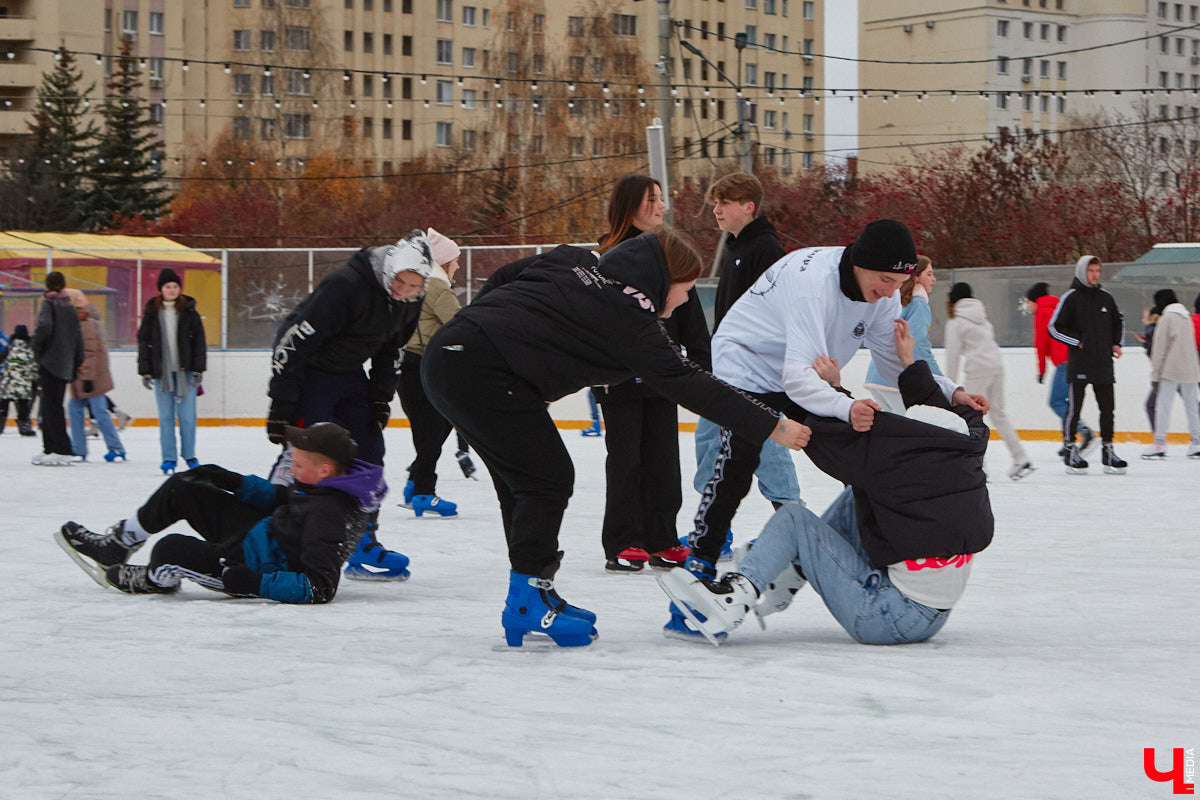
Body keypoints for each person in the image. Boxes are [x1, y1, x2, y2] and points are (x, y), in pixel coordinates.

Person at [421, 226, 811, 648]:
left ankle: (531, 593)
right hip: (480, 373)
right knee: (547, 480)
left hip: (450, 357)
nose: (683, 301)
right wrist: (774, 424)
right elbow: (691, 385)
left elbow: (502, 280)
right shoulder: (631, 323)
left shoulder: (574, 259)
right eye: (684, 289)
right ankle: (527, 599)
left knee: (525, 485)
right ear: (661, 280)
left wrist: (484, 328)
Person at [682, 219, 984, 597]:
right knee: (740, 459)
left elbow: (893, 362)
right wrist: (845, 404)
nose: (891, 293)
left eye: (897, 283)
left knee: (859, 452)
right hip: (749, 365)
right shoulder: (814, 286)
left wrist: (952, 392)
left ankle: (858, 549)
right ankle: (700, 561)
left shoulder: (884, 294)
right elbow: (796, 376)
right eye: (886, 281)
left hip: (801, 372)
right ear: (863, 263)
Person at [658, 319, 993, 646]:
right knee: (858, 492)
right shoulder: (964, 449)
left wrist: (831, 389)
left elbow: (849, 440)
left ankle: (732, 600)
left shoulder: (895, 468)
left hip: (885, 616)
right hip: (930, 615)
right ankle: (789, 569)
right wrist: (908, 361)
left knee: (794, 519)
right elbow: (934, 418)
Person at [55, 422, 386, 602]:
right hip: (260, 533)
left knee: (170, 549)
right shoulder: (327, 484)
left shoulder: (331, 514)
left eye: (298, 464)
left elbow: (319, 587)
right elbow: (286, 499)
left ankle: (157, 581)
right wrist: (233, 481)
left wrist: (253, 583)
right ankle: (119, 543)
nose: (293, 469)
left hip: (249, 563)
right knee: (184, 486)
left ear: (325, 469)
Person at [267, 230, 429, 581]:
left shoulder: (411, 302)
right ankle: (273, 537)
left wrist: (379, 399)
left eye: (414, 286)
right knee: (306, 456)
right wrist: (282, 401)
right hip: (310, 371)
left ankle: (361, 539)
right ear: (391, 270)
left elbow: (392, 352)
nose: (404, 291)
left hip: (350, 375)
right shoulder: (347, 286)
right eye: (401, 282)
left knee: (369, 450)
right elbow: (295, 338)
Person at [592, 175, 706, 573]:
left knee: (662, 457)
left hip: (664, 371)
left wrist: (702, 363)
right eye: (651, 199)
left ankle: (662, 538)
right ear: (629, 206)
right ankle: (624, 541)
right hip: (618, 375)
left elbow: (690, 314)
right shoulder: (606, 256)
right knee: (625, 459)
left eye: (661, 199)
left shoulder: (671, 252)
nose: (661, 206)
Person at [692, 172, 800, 560]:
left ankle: (793, 522)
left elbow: (777, 312)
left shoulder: (765, 249)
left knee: (764, 444)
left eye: (724, 203)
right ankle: (714, 532)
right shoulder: (737, 246)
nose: (716, 210)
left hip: (753, 371)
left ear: (748, 207)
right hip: (725, 368)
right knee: (707, 444)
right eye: (715, 203)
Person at [396, 228, 465, 518]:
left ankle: (416, 486)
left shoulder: (420, 283)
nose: (458, 266)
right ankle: (423, 492)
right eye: (455, 260)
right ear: (444, 261)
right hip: (424, 368)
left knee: (428, 430)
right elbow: (462, 326)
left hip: (404, 367)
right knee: (435, 428)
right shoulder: (437, 287)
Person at [943, 282, 1034, 480]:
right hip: (997, 367)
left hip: (977, 370)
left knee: (970, 417)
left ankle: (979, 466)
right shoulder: (982, 316)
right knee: (999, 414)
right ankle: (1020, 457)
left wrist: (949, 389)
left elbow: (953, 356)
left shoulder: (956, 321)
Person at [1048, 255, 1128, 474]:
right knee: (1074, 409)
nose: (1094, 274)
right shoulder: (1071, 298)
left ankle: (1108, 451)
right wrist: (1077, 342)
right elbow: (1054, 327)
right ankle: (1070, 449)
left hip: (1103, 363)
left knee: (1108, 409)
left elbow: (1118, 320)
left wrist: (1116, 343)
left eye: (1097, 271)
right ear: (1082, 271)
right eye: (1091, 270)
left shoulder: (1106, 298)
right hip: (1080, 364)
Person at [138, 268, 207, 475]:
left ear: (180, 289)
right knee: (166, 417)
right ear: (161, 289)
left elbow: (199, 343)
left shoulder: (189, 312)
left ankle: (190, 456)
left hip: (185, 372)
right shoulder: (152, 312)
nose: (171, 290)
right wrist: (145, 371)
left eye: (175, 286)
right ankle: (168, 458)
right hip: (162, 373)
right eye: (168, 286)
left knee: (187, 417)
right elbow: (143, 342)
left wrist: (198, 369)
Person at [863, 255, 943, 412]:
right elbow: (917, 343)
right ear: (915, 277)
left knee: (894, 432)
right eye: (928, 274)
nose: (933, 279)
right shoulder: (918, 303)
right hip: (897, 380)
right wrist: (937, 377)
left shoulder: (895, 300)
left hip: (877, 378)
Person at [1025, 282, 1095, 458]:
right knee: (1066, 402)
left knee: (1056, 402)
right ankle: (1068, 441)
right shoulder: (1060, 307)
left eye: (1028, 303)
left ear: (1035, 301)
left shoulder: (1042, 313)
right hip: (1078, 358)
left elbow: (1041, 345)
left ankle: (1083, 430)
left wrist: (1041, 371)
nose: (1028, 307)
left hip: (1065, 362)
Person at [63, 288, 126, 462]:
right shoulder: (76, 322)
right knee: (75, 410)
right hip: (81, 376)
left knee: (99, 411)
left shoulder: (86, 324)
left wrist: (88, 379)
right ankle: (79, 449)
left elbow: (91, 353)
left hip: (92, 376)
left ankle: (116, 448)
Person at [31, 271, 83, 466]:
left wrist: (36, 348)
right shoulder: (69, 306)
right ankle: (50, 448)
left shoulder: (49, 303)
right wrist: (77, 360)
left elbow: (44, 327)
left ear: (47, 285)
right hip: (65, 362)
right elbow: (78, 336)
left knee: (51, 406)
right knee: (51, 405)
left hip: (50, 362)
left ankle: (61, 448)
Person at [1141, 289, 1200, 459]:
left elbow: (1160, 349)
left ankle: (1159, 444)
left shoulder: (1167, 318)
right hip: (1191, 369)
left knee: (1163, 407)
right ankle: (1196, 443)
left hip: (1171, 370)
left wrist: (1155, 375)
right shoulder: (1186, 317)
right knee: (1192, 407)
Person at [0, 324, 38, 436]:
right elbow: (34, 366)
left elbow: (2, 359)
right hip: (23, 383)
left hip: (8, 382)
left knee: (3, 404)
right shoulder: (30, 347)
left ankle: (0, 424)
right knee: (23, 406)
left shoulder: (10, 346)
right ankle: (24, 426)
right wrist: (35, 381)